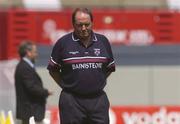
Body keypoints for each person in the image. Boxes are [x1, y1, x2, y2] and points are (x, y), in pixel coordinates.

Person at [47, 8, 115, 124]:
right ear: (73, 24)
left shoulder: (103, 42)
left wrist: (94, 83)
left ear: (92, 23)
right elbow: (53, 70)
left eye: (87, 24)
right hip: (71, 101)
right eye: (79, 25)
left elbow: (109, 69)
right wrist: (68, 85)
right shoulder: (63, 43)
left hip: (98, 100)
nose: (83, 28)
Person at [15, 41, 52, 124]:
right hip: (30, 111)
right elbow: (31, 88)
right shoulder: (24, 67)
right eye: (35, 52)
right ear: (28, 53)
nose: (37, 54)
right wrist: (46, 92)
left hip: (30, 111)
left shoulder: (25, 66)